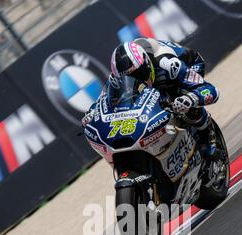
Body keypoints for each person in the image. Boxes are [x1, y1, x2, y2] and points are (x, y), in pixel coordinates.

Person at [84, 38, 219, 158]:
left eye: (139, 74)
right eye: (128, 78)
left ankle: (207, 134)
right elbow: (102, 101)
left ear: (147, 65)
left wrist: (191, 99)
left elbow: (211, 90)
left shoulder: (168, 64)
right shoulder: (116, 77)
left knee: (180, 98)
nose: (136, 80)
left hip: (189, 64)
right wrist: (91, 113)